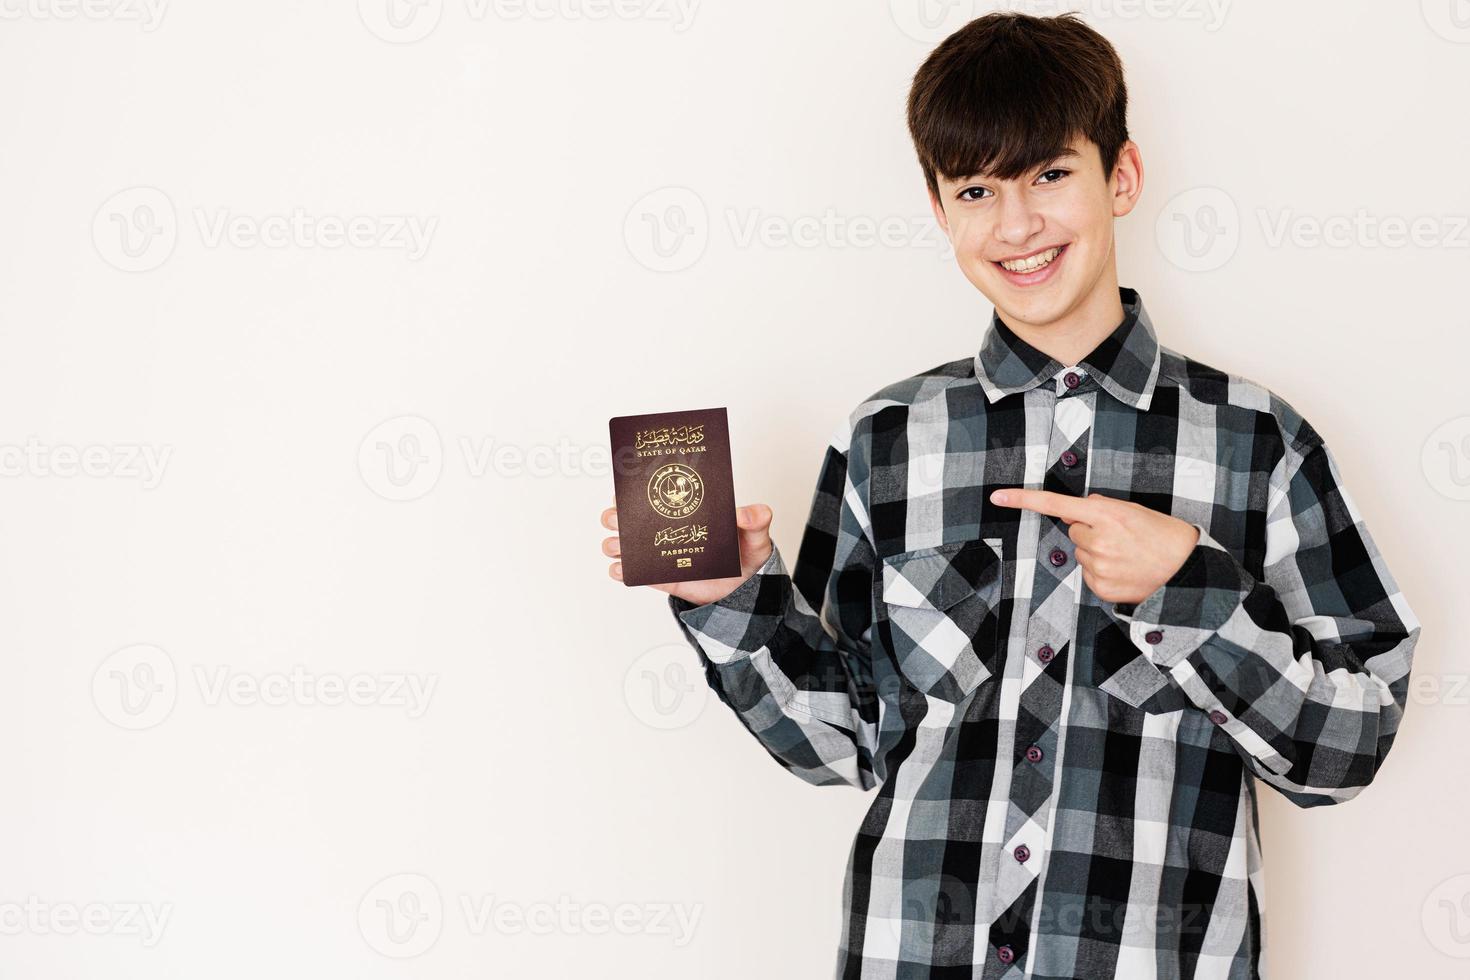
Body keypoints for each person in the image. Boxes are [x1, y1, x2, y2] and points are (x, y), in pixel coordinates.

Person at [599, 11, 1420, 978]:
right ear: (940, 210)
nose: (1016, 224)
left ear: (1122, 177)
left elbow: (1349, 747)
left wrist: (1188, 590)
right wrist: (731, 601)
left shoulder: (1258, 442)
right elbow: (843, 742)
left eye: (1050, 175)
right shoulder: (885, 441)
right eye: (977, 188)